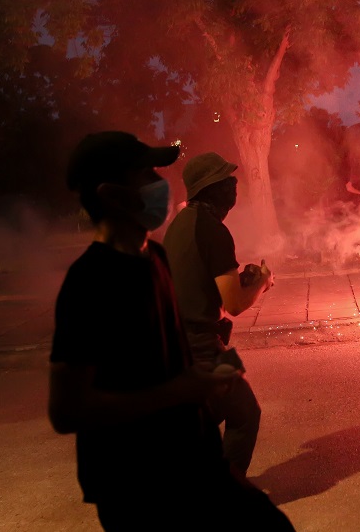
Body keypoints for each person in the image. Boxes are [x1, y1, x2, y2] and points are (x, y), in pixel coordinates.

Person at [48, 131, 293, 531]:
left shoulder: (156, 257)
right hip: (131, 482)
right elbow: (66, 410)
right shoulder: (90, 282)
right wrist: (179, 392)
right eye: (146, 174)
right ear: (113, 194)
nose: (159, 184)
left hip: (184, 456)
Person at [163, 152, 274, 477]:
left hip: (177, 343)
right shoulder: (212, 230)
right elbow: (235, 305)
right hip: (199, 346)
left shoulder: (181, 224)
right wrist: (262, 282)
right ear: (210, 189)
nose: (234, 185)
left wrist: (243, 281)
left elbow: (205, 285)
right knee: (245, 413)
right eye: (227, 180)